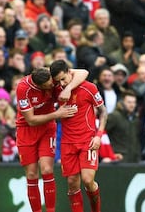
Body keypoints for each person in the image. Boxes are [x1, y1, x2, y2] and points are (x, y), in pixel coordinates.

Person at [15, 66, 88, 212]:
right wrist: (57, 114)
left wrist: (68, 89)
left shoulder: (52, 75)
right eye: (48, 86)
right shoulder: (23, 88)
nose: (53, 85)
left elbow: (83, 72)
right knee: (31, 174)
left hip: (47, 129)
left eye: (52, 82)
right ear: (38, 86)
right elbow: (30, 120)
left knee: (47, 169)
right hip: (26, 129)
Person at [50, 60, 107, 212]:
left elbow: (103, 111)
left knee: (88, 180)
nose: (61, 83)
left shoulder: (88, 87)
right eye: (58, 81)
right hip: (68, 142)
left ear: (70, 72)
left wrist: (98, 135)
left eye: (63, 79)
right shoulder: (56, 90)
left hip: (87, 140)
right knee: (72, 183)